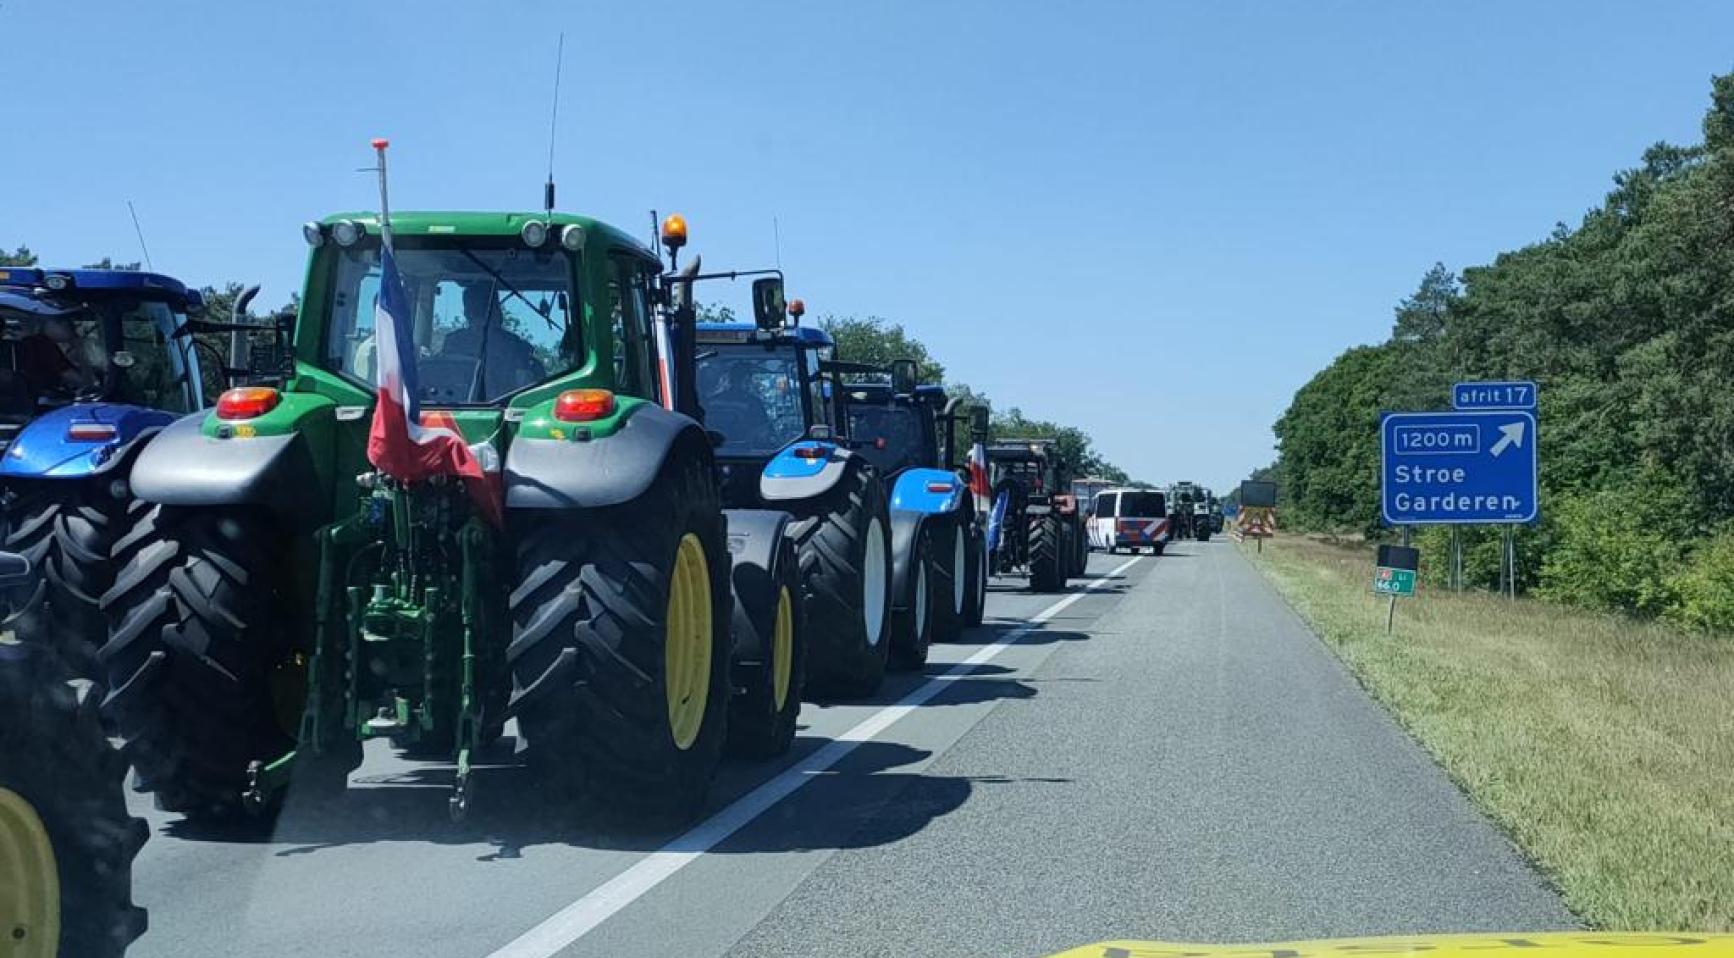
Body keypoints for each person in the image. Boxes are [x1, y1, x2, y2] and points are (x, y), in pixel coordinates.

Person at [436, 284, 545, 398]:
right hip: (456, 404)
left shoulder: (515, 346)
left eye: (485, 308)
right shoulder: (453, 343)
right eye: (477, 309)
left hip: (506, 405)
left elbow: (526, 392)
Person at [18, 315, 88, 397]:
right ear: (51, 324)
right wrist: (87, 385)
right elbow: (66, 372)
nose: (71, 331)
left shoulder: (34, 342)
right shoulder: (42, 343)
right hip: (42, 395)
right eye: (66, 326)